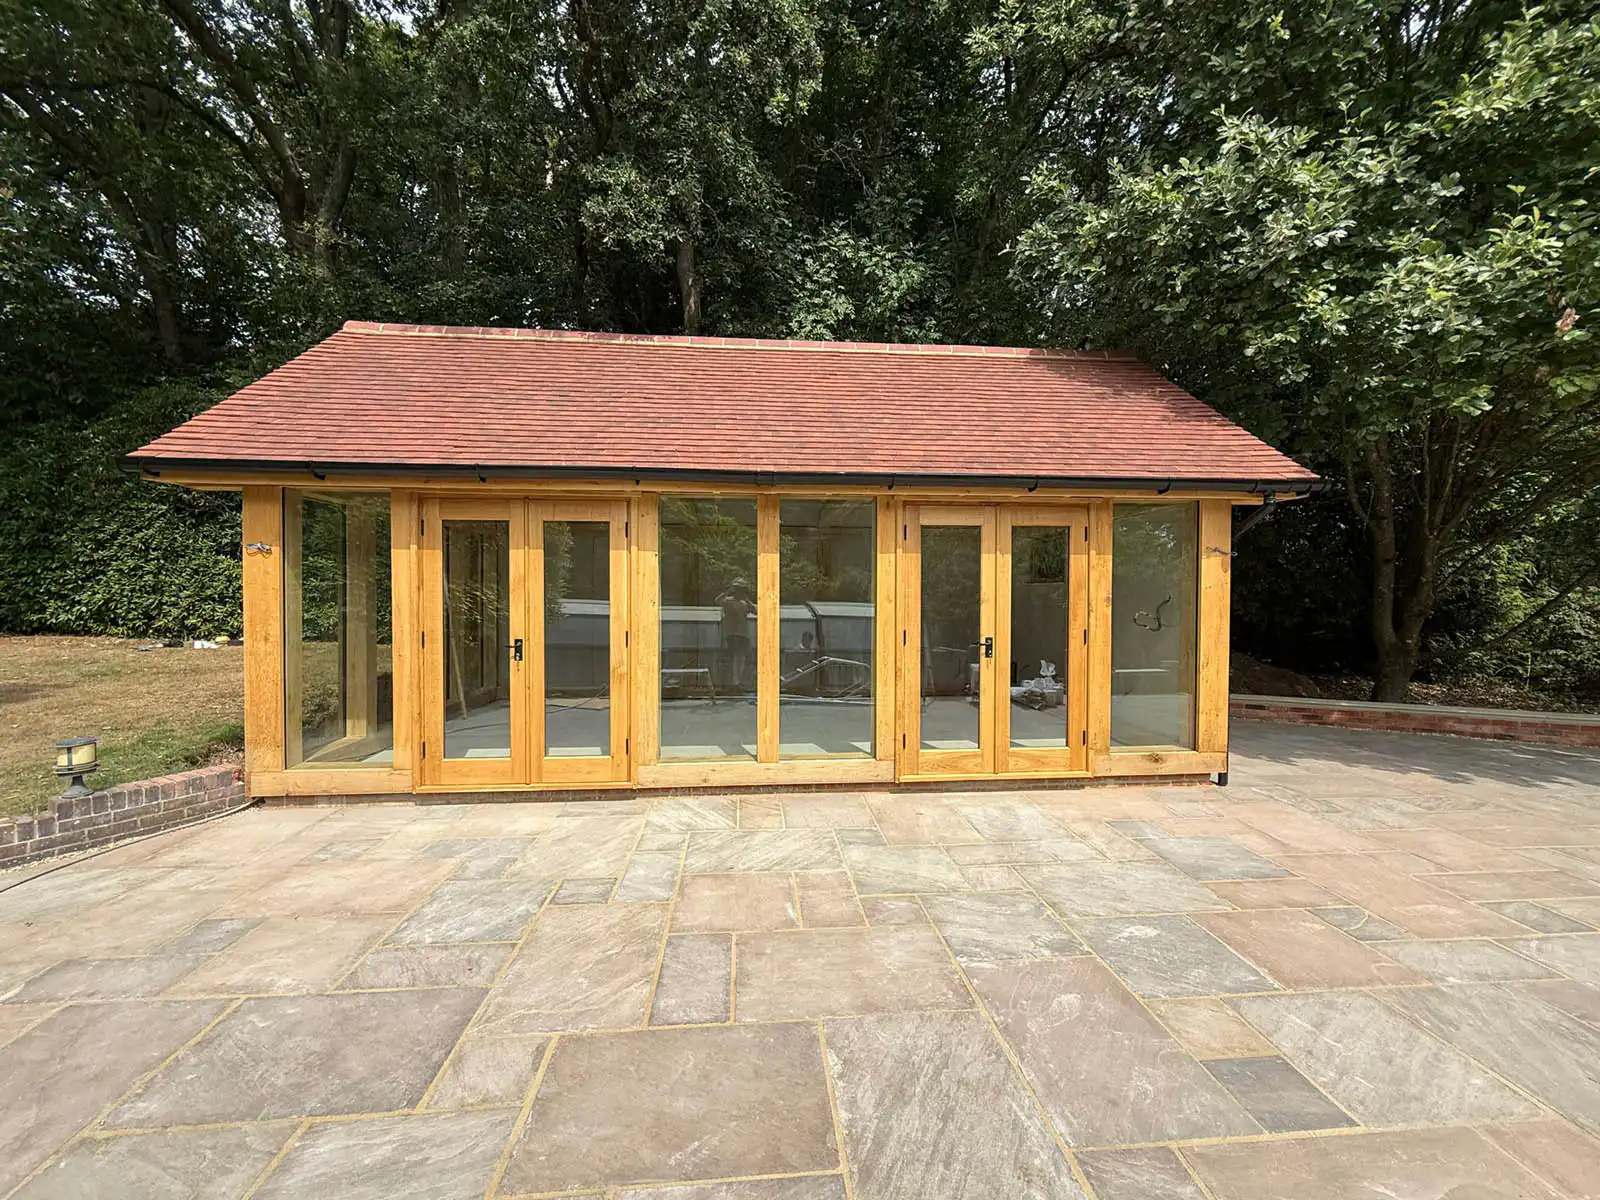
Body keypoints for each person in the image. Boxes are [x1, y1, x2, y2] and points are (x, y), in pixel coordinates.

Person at [716, 578, 754, 691]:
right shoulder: (728, 601)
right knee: (733, 659)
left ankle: (739, 682)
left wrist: (746, 599)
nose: (740, 592)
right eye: (738, 590)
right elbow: (717, 600)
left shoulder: (744, 603)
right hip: (732, 634)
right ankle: (733, 683)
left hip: (743, 634)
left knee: (742, 659)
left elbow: (755, 610)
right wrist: (728, 591)